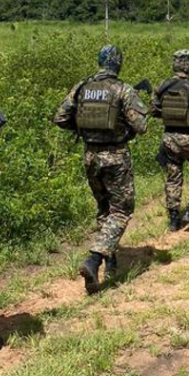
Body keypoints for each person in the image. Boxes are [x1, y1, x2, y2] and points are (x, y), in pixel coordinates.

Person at [54, 45, 148, 294]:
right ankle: (94, 260)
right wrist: (123, 126)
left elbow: (60, 117)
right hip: (115, 157)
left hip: (90, 156)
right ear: (118, 63)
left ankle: (111, 262)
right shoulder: (123, 89)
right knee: (121, 210)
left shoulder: (82, 87)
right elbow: (141, 126)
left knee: (104, 208)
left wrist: (84, 130)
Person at [151, 50, 189, 231]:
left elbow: (154, 111)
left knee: (173, 178)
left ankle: (173, 218)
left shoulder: (162, 86)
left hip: (170, 140)